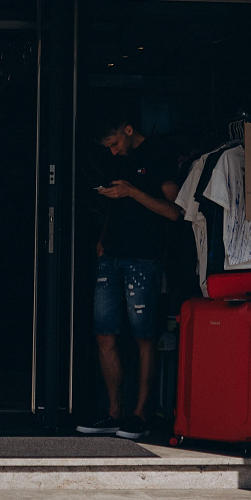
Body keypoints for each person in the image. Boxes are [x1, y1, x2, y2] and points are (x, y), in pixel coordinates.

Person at [76, 117, 181, 441]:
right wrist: (102, 240)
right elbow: (113, 208)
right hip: (110, 255)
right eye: (108, 147)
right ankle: (113, 413)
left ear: (128, 129)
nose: (112, 150)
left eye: (115, 143)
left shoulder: (159, 153)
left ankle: (140, 416)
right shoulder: (117, 159)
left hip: (143, 257)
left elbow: (175, 211)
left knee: (143, 336)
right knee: (104, 334)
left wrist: (132, 192)